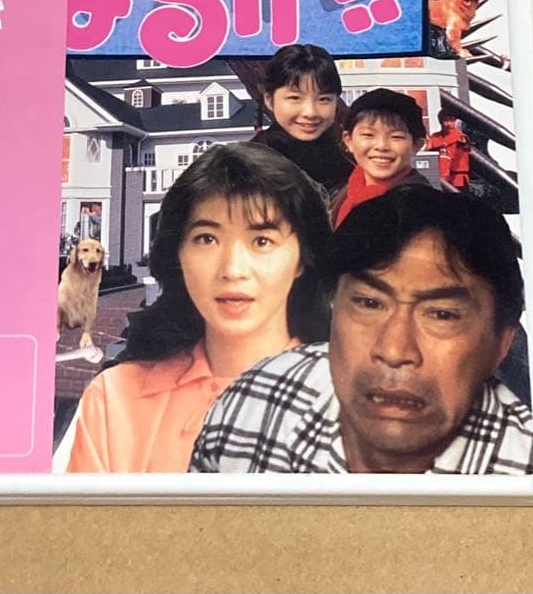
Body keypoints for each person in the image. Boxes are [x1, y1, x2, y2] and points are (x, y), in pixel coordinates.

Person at [191, 186, 533, 475]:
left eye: (442, 315)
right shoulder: (254, 400)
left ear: (502, 344)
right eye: (369, 303)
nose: (394, 351)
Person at [65, 143, 332, 473]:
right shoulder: (115, 399)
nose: (233, 269)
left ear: (303, 257)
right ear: (178, 253)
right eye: (207, 239)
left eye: (261, 242)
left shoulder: (348, 398)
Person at [252, 43, 352, 200]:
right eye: (295, 98)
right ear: (269, 100)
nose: (310, 112)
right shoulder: (247, 166)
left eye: (324, 99)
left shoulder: (352, 159)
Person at [332, 88, 430, 227]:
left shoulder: (420, 206)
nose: (381, 146)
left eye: (396, 137)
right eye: (368, 135)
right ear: (349, 141)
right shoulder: (342, 194)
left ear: (416, 145)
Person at [427, 111, 472, 189]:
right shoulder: (435, 136)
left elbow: (465, 145)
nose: (449, 124)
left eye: (452, 120)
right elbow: (427, 148)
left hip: (457, 179)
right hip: (439, 178)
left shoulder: (461, 136)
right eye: (446, 120)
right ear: (440, 122)